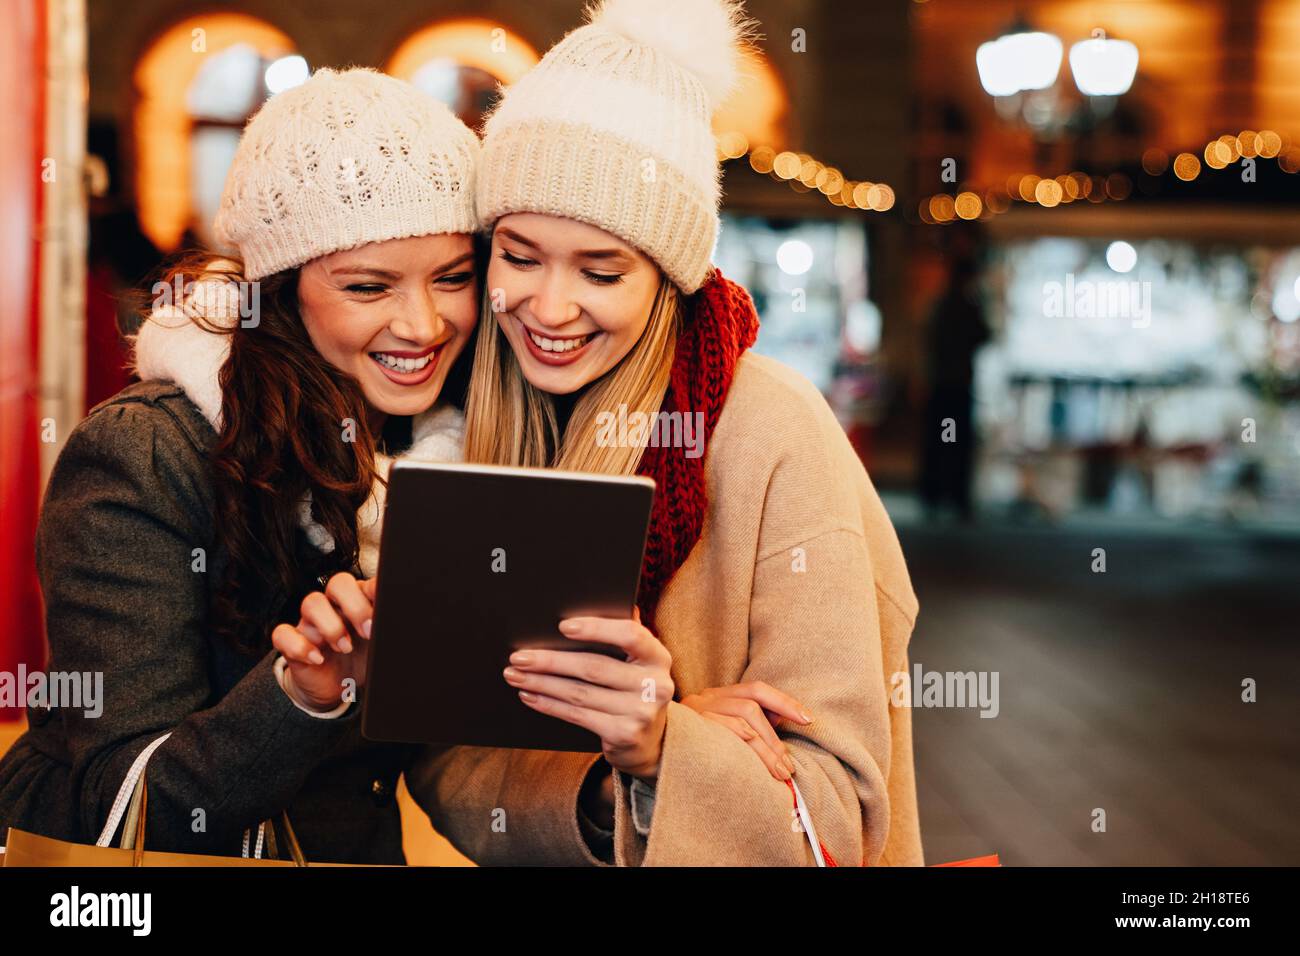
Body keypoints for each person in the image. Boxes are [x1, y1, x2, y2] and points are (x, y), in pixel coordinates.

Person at [291, 0, 925, 866]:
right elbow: (446, 757)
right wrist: (619, 775)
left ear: (668, 276)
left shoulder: (770, 430)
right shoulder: (472, 424)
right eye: (517, 257)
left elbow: (840, 817)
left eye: (601, 270)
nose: (550, 310)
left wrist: (663, 747)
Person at [0, 68, 480, 863]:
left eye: (454, 278)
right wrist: (299, 695)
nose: (424, 323)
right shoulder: (148, 453)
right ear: (282, 293)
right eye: (369, 285)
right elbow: (113, 803)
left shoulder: (439, 450)